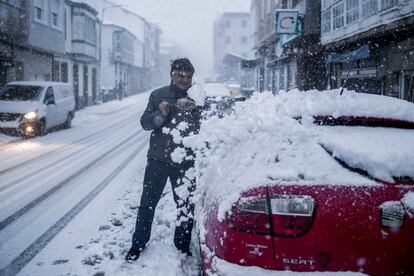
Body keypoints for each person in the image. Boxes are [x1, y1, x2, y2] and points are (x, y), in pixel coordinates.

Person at [126, 58, 200, 262]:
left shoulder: (198, 97)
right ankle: (138, 244)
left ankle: (182, 245)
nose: (184, 79)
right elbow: (145, 123)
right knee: (147, 204)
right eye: (180, 75)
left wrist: (193, 110)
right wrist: (161, 113)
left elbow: (205, 123)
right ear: (172, 75)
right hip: (158, 159)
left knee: (185, 205)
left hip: (185, 162)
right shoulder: (158, 95)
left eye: (188, 76)